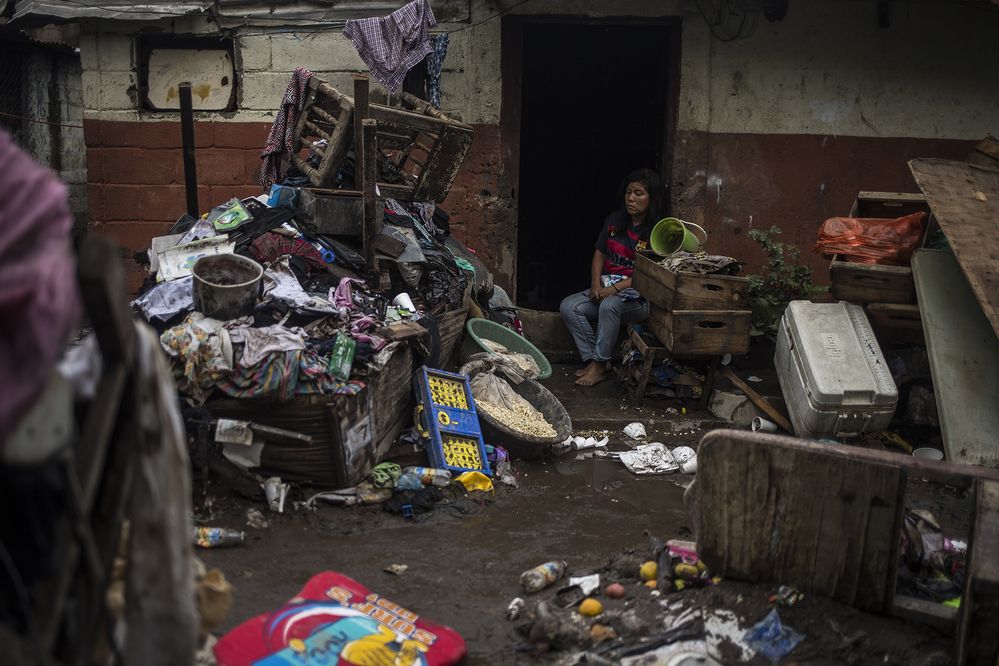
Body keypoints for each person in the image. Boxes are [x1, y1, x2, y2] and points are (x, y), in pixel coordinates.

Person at [559, 168, 665, 386]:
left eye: (639, 193)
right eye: (628, 192)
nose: (631, 198)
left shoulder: (657, 232)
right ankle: (594, 359)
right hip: (607, 289)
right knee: (569, 306)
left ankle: (598, 366)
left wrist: (611, 292)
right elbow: (600, 252)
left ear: (652, 198)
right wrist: (595, 284)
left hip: (639, 299)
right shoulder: (615, 220)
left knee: (610, 306)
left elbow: (646, 275)